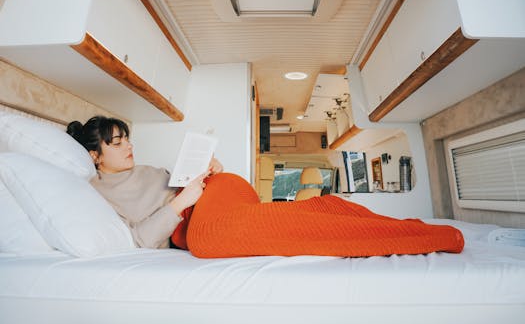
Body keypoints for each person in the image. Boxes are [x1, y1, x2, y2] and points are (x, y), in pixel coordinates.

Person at [67, 116, 464, 258]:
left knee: (209, 240)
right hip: (193, 214)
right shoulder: (97, 193)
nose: (128, 146)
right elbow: (141, 238)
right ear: (94, 155)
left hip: (215, 196)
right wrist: (182, 202)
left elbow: (180, 186)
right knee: (213, 236)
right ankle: (338, 210)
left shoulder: (150, 169)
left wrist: (203, 175)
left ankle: (425, 237)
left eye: (127, 138)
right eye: (116, 143)